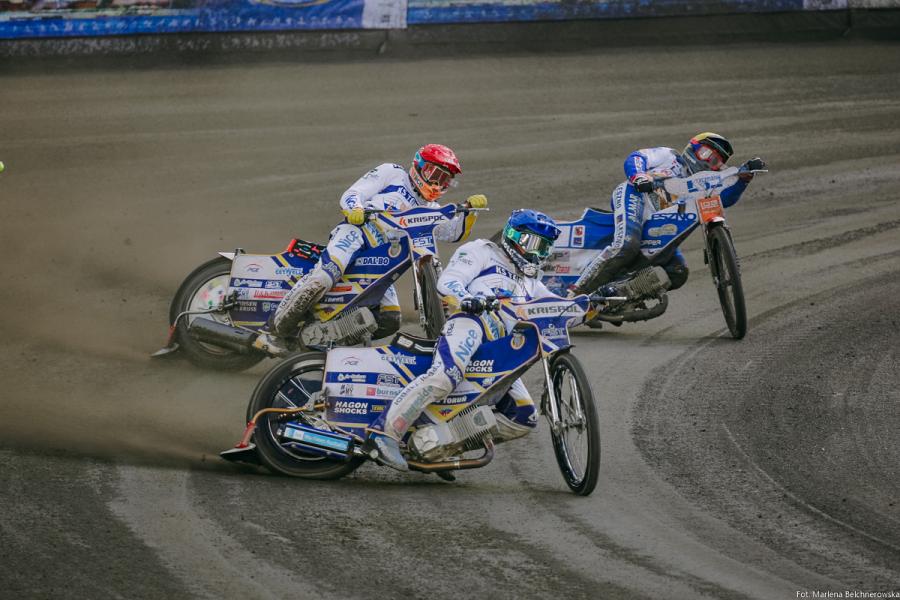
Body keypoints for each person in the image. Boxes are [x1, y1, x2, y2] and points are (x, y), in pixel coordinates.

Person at [363, 209, 562, 471]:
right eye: (532, 243)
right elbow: (449, 282)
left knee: (524, 416)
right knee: (444, 377)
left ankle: (434, 446)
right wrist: (468, 299)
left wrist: (594, 302)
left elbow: (558, 307)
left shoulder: (531, 282)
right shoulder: (482, 251)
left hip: (500, 348)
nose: (537, 253)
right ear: (513, 236)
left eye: (544, 248)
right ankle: (384, 434)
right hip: (471, 323)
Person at [254, 144, 488, 356]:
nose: (438, 184)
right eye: (434, 175)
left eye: (445, 180)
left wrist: (470, 211)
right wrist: (355, 208)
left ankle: (314, 342)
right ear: (419, 166)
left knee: (390, 318)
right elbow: (354, 193)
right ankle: (272, 331)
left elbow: (452, 233)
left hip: (383, 260)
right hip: (357, 234)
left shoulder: (430, 209)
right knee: (323, 277)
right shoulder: (392, 173)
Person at [570, 132, 765, 295]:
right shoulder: (669, 156)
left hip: (660, 225)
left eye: (715, 162)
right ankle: (576, 292)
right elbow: (637, 157)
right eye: (706, 153)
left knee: (678, 272)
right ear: (693, 148)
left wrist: (743, 180)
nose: (708, 162)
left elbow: (724, 200)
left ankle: (616, 296)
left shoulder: (705, 184)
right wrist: (638, 176)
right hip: (635, 196)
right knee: (627, 245)